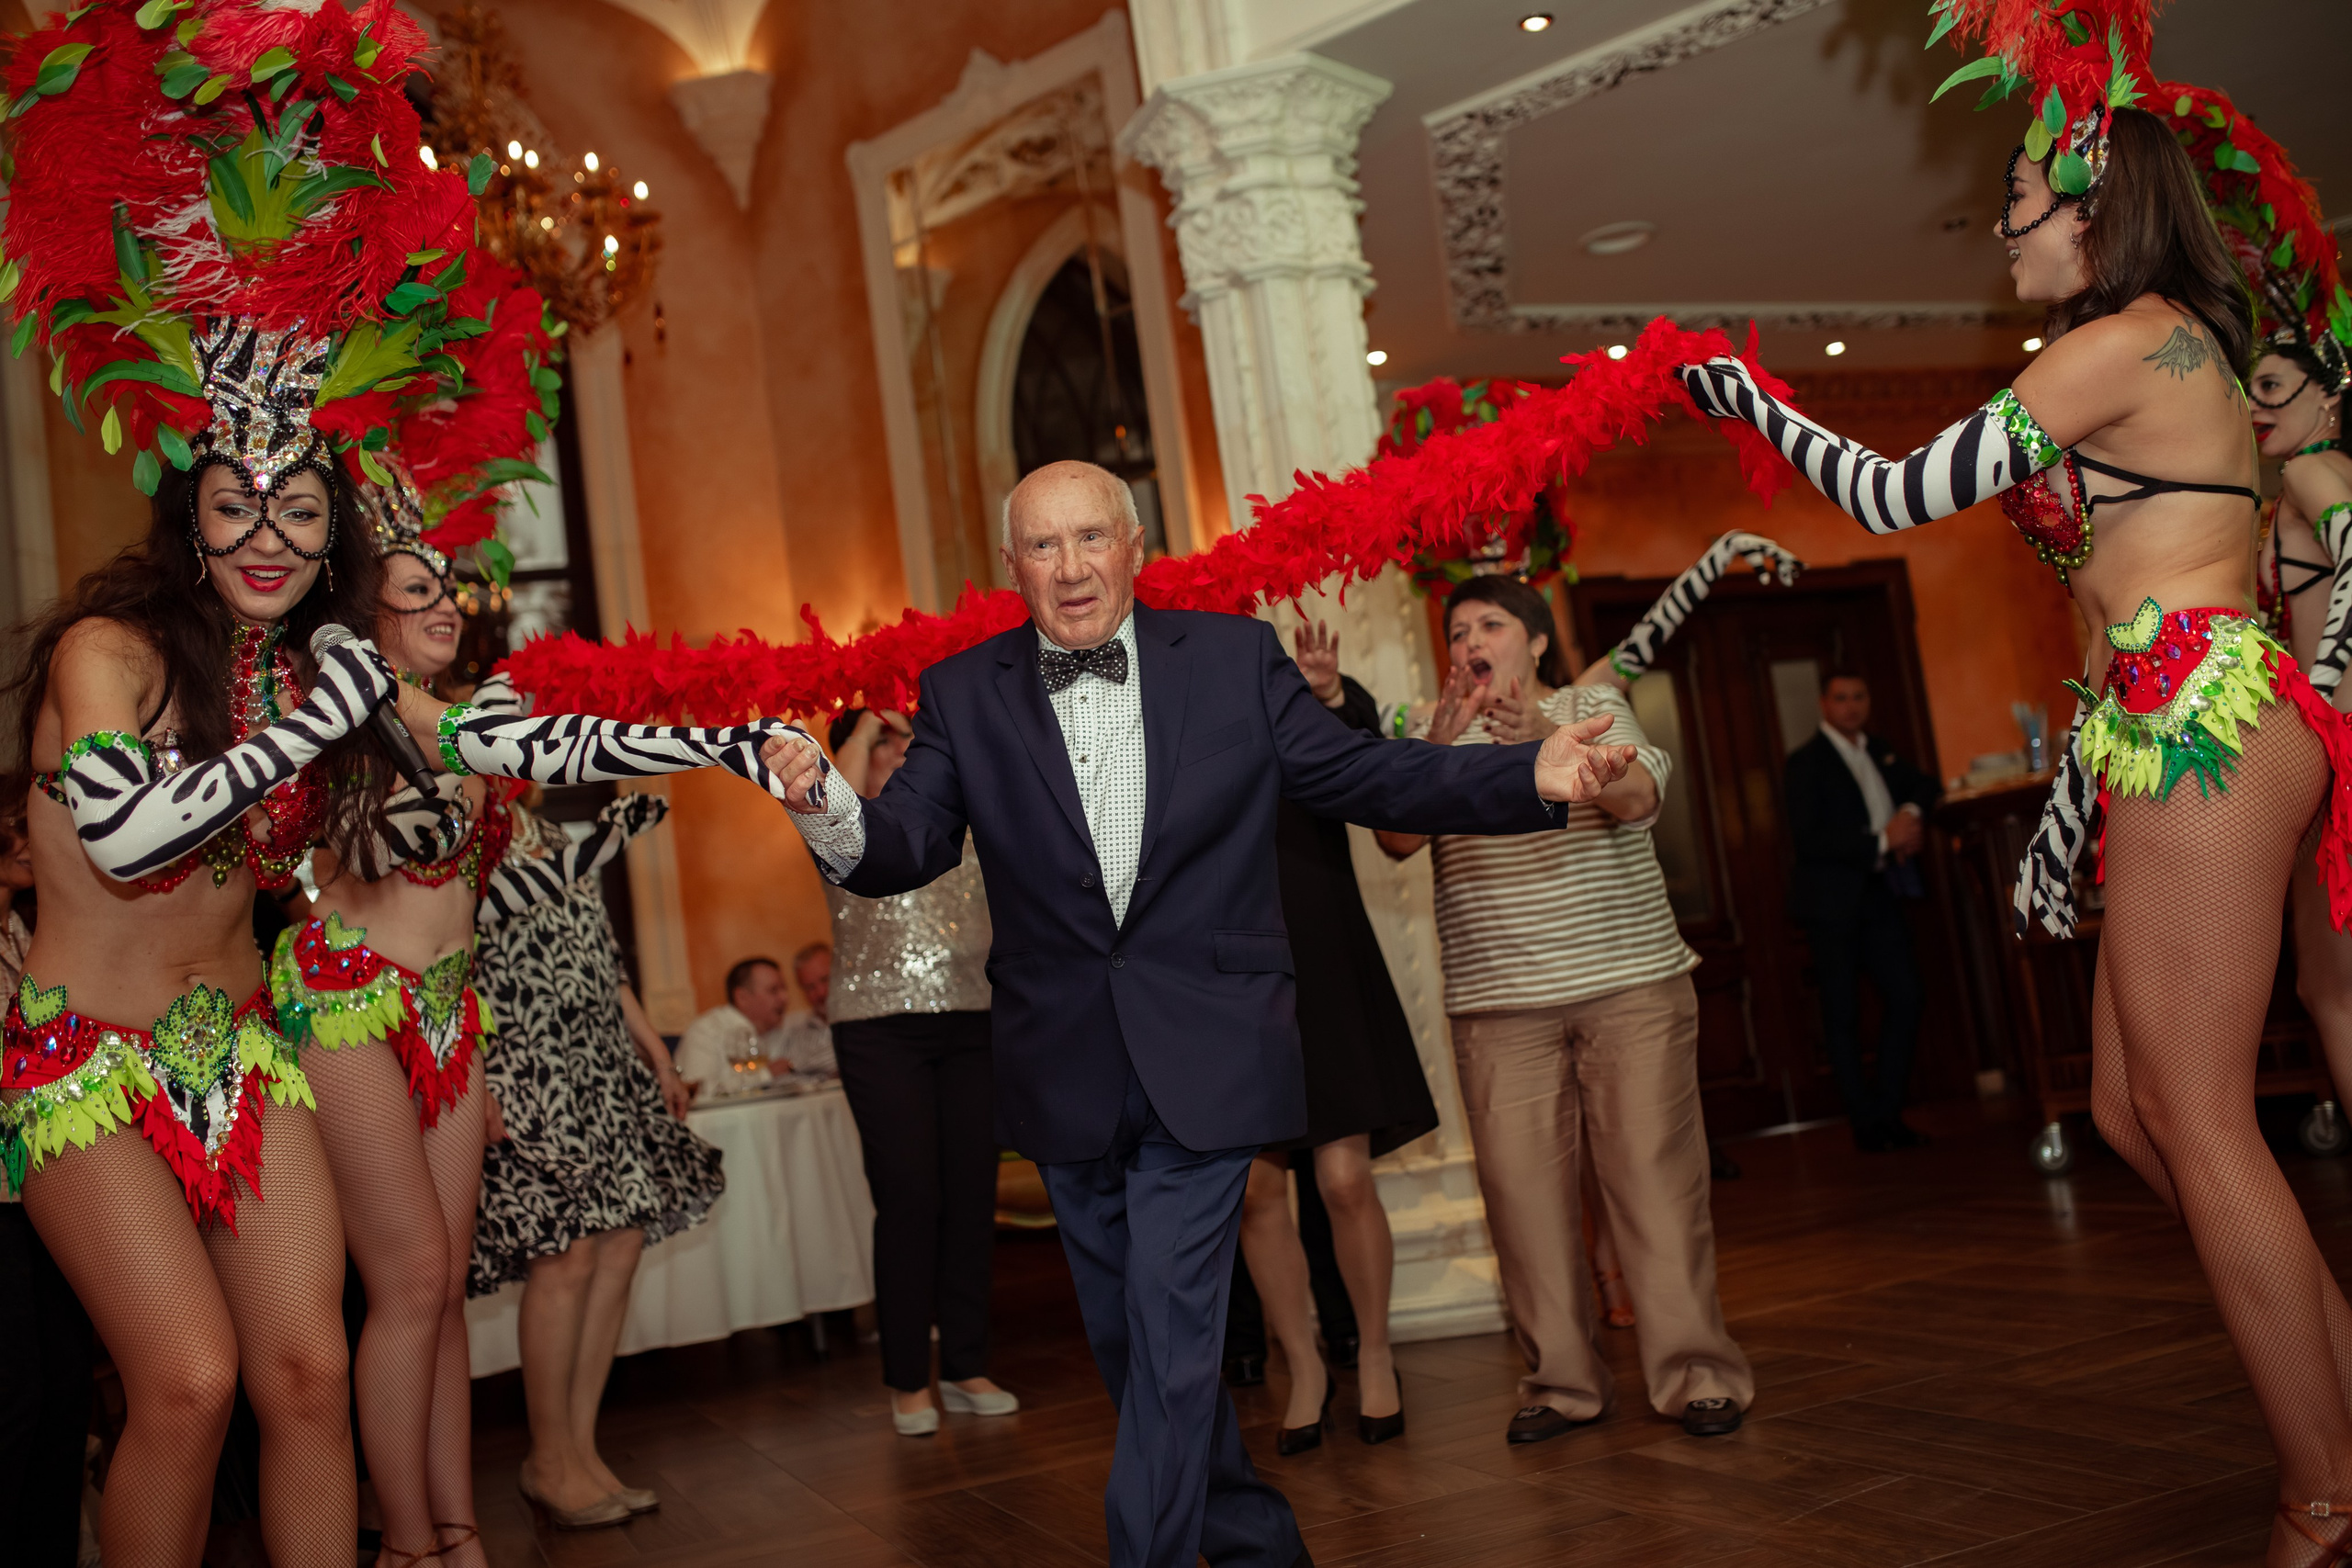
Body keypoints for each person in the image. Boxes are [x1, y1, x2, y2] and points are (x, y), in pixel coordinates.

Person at [1680, 14, 2352, 1543]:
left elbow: (1896, 491)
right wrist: (2069, 533)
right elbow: (2093, 544)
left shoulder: (2120, 338)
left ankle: (2326, 1483)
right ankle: (2338, 1393)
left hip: (2203, 711)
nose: (2002, 235)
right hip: (2180, 705)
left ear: (2095, 210)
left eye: (2021, 208)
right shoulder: (2169, 343)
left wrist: (1749, 399)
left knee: (2198, 1112)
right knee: (2132, 1106)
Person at [759, 459, 1634, 1568]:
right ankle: (1257, 1543)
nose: (1071, 567)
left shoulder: (1232, 658)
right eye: (1044, 546)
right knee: (1141, 1355)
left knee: (1172, 1334)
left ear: (1135, 547)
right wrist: (826, 806)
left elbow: (1360, 774)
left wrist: (1526, 779)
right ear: (1011, 565)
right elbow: (904, 847)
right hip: (1066, 1063)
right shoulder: (964, 690)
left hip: (1213, 1051)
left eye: (1090, 539)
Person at [272, 463, 681, 1559]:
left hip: (456, 1013)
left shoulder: (468, 722)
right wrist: (446, 753)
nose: (445, 603)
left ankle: (454, 1529)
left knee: (443, 1285)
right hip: (354, 1004)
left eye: (448, 587)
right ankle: (407, 1537)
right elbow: (350, 859)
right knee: (405, 1282)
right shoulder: (334, 727)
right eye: (416, 591)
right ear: (363, 620)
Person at [1377, 573, 1754, 1447]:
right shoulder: (1433, 733)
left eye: (1493, 622)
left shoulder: (1593, 703)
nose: (1473, 637)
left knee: (1657, 1188)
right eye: (1459, 627)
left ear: (1536, 642)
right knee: (1522, 1201)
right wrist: (1437, 751)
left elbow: (1638, 799)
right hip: (1498, 1006)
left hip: (1629, 987)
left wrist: (1547, 738)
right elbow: (1394, 838)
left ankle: (1697, 1373)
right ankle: (1562, 1383)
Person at [471, 804, 726, 1530]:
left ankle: (580, 1452)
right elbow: (445, 959)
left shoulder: (552, 836)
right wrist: (477, 1072)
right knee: (566, 1255)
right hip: (527, 1064)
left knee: (618, 1246)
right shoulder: (458, 828)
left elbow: (605, 960)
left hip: (602, 1064)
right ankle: (548, 1457)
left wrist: (657, 1053)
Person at [1242, 620, 1436, 1454]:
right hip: (1229, 981)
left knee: (1345, 1177)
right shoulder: (1161, 721)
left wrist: (1327, 693)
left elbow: (1373, 780)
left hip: (1322, 959)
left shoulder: (1294, 707)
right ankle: (1306, 1364)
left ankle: (1380, 1354)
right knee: (1254, 1191)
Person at [820, 707, 1013, 1435]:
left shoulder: (960, 825)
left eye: (912, 746)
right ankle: (908, 1380)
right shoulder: (843, 832)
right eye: (886, 748)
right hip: (877, 1028)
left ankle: (965, 1365)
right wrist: (866, 726)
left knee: (971, 1195)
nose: (901, 755)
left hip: (974, 1019)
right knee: (909, 1199)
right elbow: (828, 785)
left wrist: (931, 738)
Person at [2253, 290, 2352, 1112]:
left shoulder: (2309, 471)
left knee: (2331, 988)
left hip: (2340, 756)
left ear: (2330, 395)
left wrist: (2318, 692)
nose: (2257, 405)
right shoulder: (2329, 474)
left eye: (2273, 386)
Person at [1781, 670, 1940, 1150]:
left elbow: (1927, 786)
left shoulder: (1880, 750)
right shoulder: (1805, 762)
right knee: (1842, 1013)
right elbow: (1808, 838)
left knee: (1907, 996)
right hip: (1832, 903)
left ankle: (1889, 1110)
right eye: (1841, 698)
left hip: (1880, 893)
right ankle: (1865, 1124)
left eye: (1859, 696)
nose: (1851, 706)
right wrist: (1878, 840)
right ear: (1824, 704)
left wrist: (1910, 816)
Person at [0, 780, 94, 1568]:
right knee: (16, 1398)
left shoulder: (29, 934)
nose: (31, 839)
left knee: (66, 1391)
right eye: (14, 828)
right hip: (2, 1205)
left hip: (46, 1190)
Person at [673, 955, 793, 1100]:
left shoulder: (780, 1029)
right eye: (773, 990)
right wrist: (765, 1075)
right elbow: (698, 1092)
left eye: (784, 989)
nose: (784, 998)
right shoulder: (706, 1031)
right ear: (742, 997)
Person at [775, 942, 838, 1076]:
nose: (821, 992)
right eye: (810, 987)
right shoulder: (797, 1037)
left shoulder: (866, 1022)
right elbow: (783, 1081)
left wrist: (795, 1066)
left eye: (825, 979)